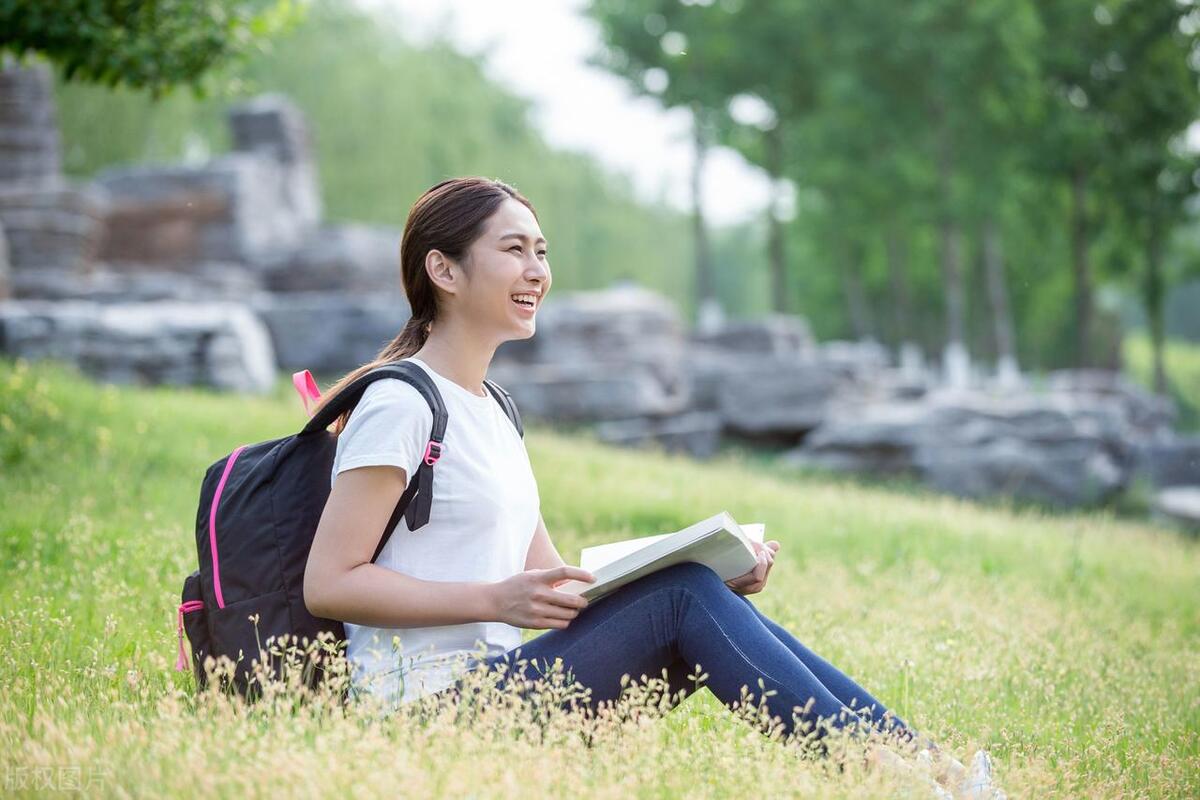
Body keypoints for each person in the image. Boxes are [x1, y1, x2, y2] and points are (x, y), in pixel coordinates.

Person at [302, 177, 1003, 799]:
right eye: (514, 250)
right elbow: (330, 583)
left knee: (689, 588)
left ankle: (932, 773)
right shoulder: (400, 403)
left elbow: (556, 585)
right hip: (424, 717)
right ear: (443, 269)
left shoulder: (494, 410)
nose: (538, 271)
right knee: (679, 597)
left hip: (505, 681)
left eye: (542, 252)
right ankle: (896, 782)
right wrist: (493, 600)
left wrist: (709, 574)